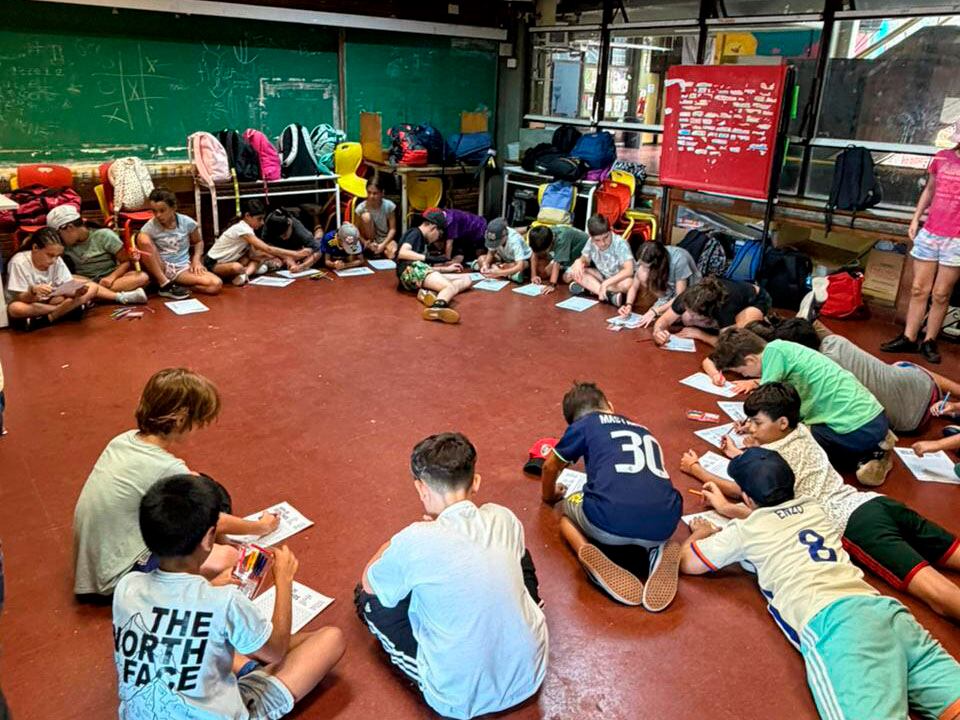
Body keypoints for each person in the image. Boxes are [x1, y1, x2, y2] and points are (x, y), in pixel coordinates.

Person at [680, 447, 960, 720]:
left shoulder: (746, 531)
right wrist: (731, 509)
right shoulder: (813, 508)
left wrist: (701, 532)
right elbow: (777, 520)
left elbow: (688, 563)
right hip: (885, 611)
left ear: (747, 498)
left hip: (837, 627)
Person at [682, 381, 960, 623]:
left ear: (782, 423)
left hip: (854, 526)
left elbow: (747, 491)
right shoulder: (802, 430)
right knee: (951, 552)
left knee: (937, 595)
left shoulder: (774, 462)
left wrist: (699, 471)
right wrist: (745, 450)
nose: (750, 429)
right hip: (874, 503)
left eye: (757, 423)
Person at [112, 474, 345, 718]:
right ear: (208, 538)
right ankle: (248, 666)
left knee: (221, 642)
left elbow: (173, 609)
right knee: (331, 639)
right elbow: (276, 651)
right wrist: (284, 581)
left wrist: (210, 585)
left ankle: (247, 663)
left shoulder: (127, 587)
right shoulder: (225, 601)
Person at [356, 432, 548, 720]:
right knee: (517, 553)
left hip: (458, 697)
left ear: (421, 488)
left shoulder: (414, 539)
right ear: (476, 482)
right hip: (530, 672)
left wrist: (393, 544)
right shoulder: (502, 516)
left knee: (367, 601)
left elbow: (369, 583)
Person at [73, 368, 278, 598]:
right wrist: (260, 527)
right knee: (229, 557)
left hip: (95, 568)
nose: (199, 429)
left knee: (196, 483)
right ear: (181, 419)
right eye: (199, 422)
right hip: (118, 578)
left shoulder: (124, 439)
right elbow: (214, 520)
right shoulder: (167, 467)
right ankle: (203, 586)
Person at [539, 382, 682, 610]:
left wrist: (549, 496)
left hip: (609, 524)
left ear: (573, 422)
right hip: (665, 523)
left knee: (565, 511)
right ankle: (658, 550)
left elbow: (549, 466)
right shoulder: (643, 429)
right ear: (610, 406)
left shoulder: (584, 426)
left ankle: (587, 552)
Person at [708, 328, 896, 486]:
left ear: (750, 360)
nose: (746, 376)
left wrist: (755, 435)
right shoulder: (783, 348)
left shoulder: (773, 354)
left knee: (794, 441)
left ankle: (871, 453)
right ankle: (873, 447)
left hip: (855, 428)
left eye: (742, 372)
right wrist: (753, 423)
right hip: (871, 417)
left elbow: (767, 405)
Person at [748, 317, 957, 434]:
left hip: (909, 424)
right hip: (924, 386)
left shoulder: (817, 378)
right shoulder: (836, 342)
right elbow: (815, 327)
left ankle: (950, 408)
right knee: (899, 368)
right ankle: (955, 398)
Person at [882, 121, 960, 364]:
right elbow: (929, 190)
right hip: (931, 231)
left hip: (957, 238)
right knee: (918, 289)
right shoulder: (942, 158)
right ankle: (909, 336)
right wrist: (916, 218)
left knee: (941, 293)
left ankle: (929, 340)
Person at [46, 204, 148, 305]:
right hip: (86, 282)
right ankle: (102, 295)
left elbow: (126, 262)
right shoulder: (63, 246)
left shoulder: (104, 235)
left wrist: (111, 277)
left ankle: (91, 297)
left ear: (69, 228)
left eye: (59, 234)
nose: (59, 239)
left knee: (142, 277)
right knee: (66, 282)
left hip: (109, 280)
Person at [4, 227, 99, 330]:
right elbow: (21, 298)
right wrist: (32, 291)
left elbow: (66, 287)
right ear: (35, 248)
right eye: (50, 255)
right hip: (30, 302)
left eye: (57, 256)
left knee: (93, 287)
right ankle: (66, 310)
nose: (54, 261)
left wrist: (77, 292)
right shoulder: (18, 262)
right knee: (15, 308)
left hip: (51, 300)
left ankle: (50, 317)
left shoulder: (57, 261)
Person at [136, 188, 221, 298]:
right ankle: (164, 283)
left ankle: (176, 286)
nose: (158, 215)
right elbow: (143, 247)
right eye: (154, 211)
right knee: (142, 238)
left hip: (182, 268)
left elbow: (198, 242)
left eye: (162, 211)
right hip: (162, 267)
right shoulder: (150, 227)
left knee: (215, 285)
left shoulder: (187, 222)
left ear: (173, 208)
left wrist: (196, 260)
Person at [204, 200, 311, 286]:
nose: (262, 223)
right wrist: (295, 254)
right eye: (259, 219)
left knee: (259, 258)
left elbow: (253, 255)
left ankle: (244, 275)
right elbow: (267, 248)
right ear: (247, 216)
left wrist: (276, 257)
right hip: (214, 264)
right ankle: (242, 273)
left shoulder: (249, 229)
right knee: (237, 267)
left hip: (232, 260)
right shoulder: (242, 229)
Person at [394, 209, 470, 324]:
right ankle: (438, 307)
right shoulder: (415, 233)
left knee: (466, 279)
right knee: (449, 287)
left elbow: (424, 269)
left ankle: (428, 294)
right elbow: (403, 253)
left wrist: (446, 269)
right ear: (433, 228)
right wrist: (428, 258)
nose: (437, 240)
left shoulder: (421, 239)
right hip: (410, 270)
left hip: (415, 272)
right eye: (439, 235)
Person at [652, 276, 772, 347]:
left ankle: (764, 318)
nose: (690, 315)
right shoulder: (687, 296)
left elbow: (729, 344)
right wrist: (658, 332)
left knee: (744, 334)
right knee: (686, 319)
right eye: (687, 310)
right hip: (730, 293)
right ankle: (711, 325)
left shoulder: (724, 308)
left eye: (694, 314)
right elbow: (664, 319)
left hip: (755, 299)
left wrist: (701, 335)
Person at [620, 241, 701, 325]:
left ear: (657, 264)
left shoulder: (679, 260)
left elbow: (680, 297)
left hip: (689, 291)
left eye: (647, 267)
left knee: (684, 319)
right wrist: (628, 304)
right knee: (653, 315)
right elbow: (634, 286)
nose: (643, 268)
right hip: (667, 290)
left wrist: (656, 310)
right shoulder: (645, 258)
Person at [564, 214, 634, 306]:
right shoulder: (590, 241)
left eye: (606, 237)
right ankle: (608, 295)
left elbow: (629, 270)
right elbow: (585, 260)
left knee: (629, 284)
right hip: (603, 276)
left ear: (611, 230)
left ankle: (592, 289)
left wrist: (606, 283)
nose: (602, 243)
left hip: (619, 279)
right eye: (597, 240)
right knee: (575, 272)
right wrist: (579, 261)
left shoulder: (620, 243)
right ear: (591, 237)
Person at [527, 224, 588, 294]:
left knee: (566, 278)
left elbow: (557, 263)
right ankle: (564, 270)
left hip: (581, 257)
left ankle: (584, 280)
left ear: (551, 243)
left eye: (544, 251)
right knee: (544, 273)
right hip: (565, 254)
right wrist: (533, 275)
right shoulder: (542, 235)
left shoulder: (562, 239)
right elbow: (534, 253)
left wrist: (552, 285)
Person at [261, 208, 325, 273]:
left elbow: (319, 250)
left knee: (318, 240)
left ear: (290, 224)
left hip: (301, 247)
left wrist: (301, 267)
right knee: (272, 262)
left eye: (285, 234)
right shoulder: (269, 224)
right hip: (283, 250)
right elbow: (265, 246)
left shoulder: (301, 231)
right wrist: (286, 258)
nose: (283, 238)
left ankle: (316, 219)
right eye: (279, 235)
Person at [473, 217, 532, 283]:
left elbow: (519, 266)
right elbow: (491, 253)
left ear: (505, 236)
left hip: (520, 261)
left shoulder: (514, 240)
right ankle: (507, 274)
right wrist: (485, 264)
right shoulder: (493, 235)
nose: (495, 245)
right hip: (503, 258)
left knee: (520, 265)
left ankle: (499, 270)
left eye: (496, 243)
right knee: (481, 259)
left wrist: (499, 272)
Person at [355, 177, 397, 258]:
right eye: (369, 193)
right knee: (366, 216)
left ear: (382, 193)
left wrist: (383, 245)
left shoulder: (389, 206)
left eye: (375, 193)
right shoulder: (361, 208)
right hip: (368, 241)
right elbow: (355, 230)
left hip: (384, 239)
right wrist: (365, 242)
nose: (371, 196)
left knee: (392, 251)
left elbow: (393, 229)